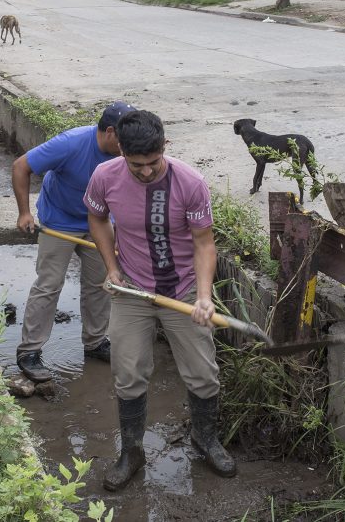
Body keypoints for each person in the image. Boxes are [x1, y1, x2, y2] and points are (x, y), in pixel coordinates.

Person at [85, 110, 236, 491]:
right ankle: (132, 451)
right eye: (138, 166)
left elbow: (204, 243)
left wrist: (203, 297)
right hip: (132, 290)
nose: (147, 172)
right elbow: (97, 219)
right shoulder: (105, 177)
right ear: (120, 151)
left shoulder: (190, 182)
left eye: (153, 163)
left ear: (164, 147)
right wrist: (112, 267)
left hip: (182, 289)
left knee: (202, 373)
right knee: (128, 370)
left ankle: (205, 438)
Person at [13, 101, 137, 382]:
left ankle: (95, 342)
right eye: (124, 140)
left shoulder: (127, 152)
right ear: (108, 132)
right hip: (61, 219)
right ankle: (29, 351)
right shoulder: (70, 144)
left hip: (101, 222)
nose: (129, 147)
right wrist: (24, 212)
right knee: (49, 284)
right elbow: (21, 166)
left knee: (101, 283)